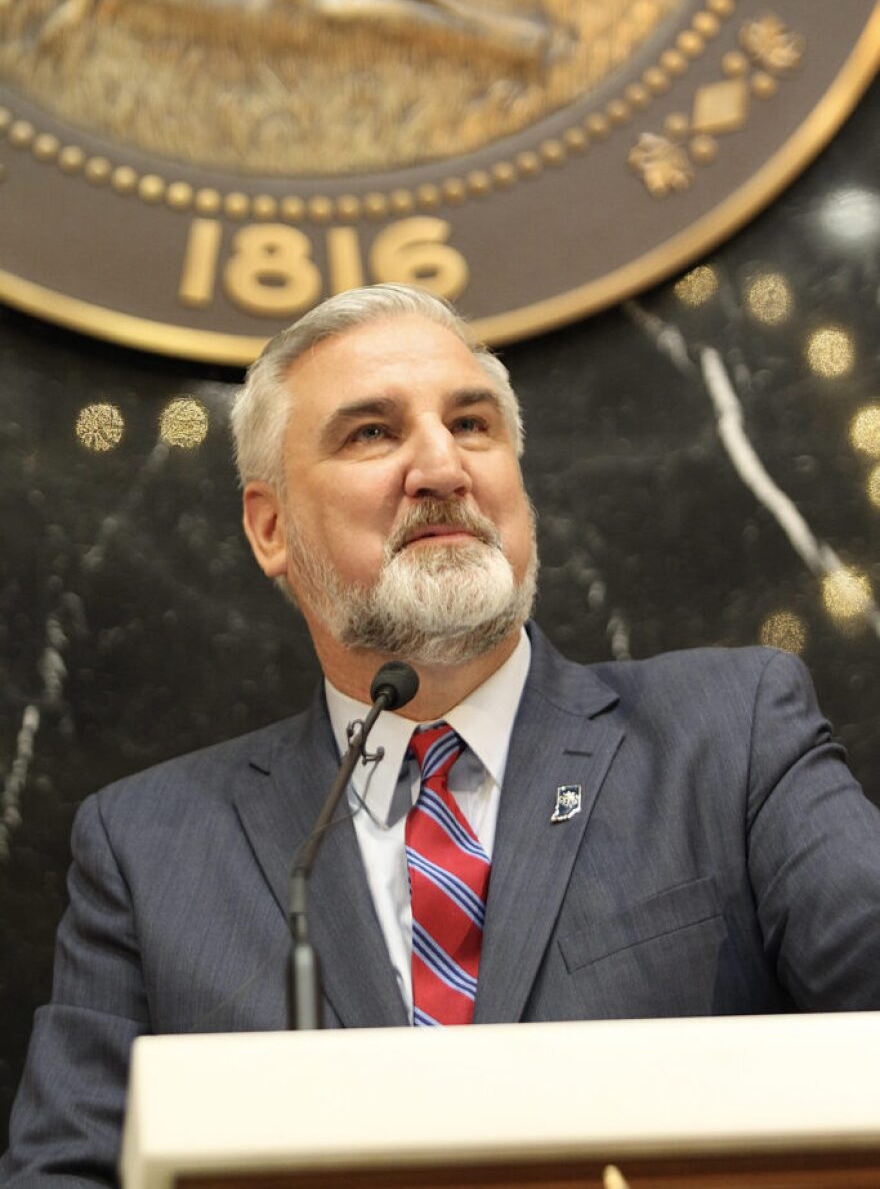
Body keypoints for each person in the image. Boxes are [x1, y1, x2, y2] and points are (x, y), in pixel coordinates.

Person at [3, 283, 880, 1186]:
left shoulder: (728, 738)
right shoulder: (149, 849)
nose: (442, 467)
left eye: (472, 425)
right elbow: (61, 1172)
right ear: (270, 528)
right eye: (371, 433)